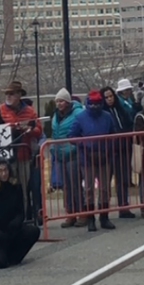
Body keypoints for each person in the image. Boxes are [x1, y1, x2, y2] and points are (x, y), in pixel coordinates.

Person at [0, 159, 40, 269]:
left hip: (11, 230)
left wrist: (15, 224)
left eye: (5, 170)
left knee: (33, 231)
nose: (4, 173)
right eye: (0, 171)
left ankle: (12, 256)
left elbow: (21, 212)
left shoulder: (16, 187)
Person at [68, 90, 117, 232]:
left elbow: (113, 134)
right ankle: (90, 219)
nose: (94, 106)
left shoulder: (107, 117)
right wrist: (84, 145)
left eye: (97, 103)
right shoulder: (80, 117)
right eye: (92, 104)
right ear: (88, 103)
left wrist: (107, 148)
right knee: (89, 188)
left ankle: (104, 217)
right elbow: (71, 135)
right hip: (87, 157)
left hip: (104, 156)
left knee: (105, 188)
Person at [0, 81, 42, 214]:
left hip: (24, 155)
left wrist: (29, 129)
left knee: (23, 189)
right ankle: (10, 216)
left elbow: (39, 129)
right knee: (7, 188)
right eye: (7, 94)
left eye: (11, 94)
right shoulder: (0, 110)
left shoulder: (29, 111)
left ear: (19, 95)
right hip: (6, 157)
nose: (8, 96)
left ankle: (23, 216)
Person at [51, 88, 86, 228]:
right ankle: (70, 213)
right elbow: (54, 132)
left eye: (62, 101)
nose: (59, 104)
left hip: (73, 152)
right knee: (66, 187)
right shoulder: (56, 116)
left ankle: (82, 213)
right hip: (60, 154)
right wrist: (53, 148)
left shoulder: (78, 113)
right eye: (57, 101)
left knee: (76, 184)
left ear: (67, 102)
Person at [101, 86, 136, 218]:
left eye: (111, 96)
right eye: (106, 97)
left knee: (123, 179)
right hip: (108, 150)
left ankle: (124, 206)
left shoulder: (120, 109)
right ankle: (104, 209)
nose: (109, 99)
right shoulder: (103, 113)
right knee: (106, 181)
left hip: (123, 147)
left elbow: (128, 123)